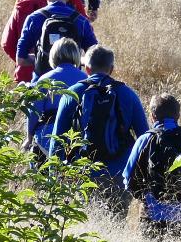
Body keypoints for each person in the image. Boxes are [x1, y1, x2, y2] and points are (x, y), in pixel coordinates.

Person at [46, 45, 149, 213]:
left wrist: (54, 178)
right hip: (118, 175)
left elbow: (57, 140)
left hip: (81, 175)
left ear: (86, 68)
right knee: (115, 228)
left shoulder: (72, 94)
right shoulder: (128, 94)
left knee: (84, 228)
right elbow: (144, 138)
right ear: (112, 69)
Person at [0, 0, 86, 83]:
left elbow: (7, 43)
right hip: (68, 74)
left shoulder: (24, 3)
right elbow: (84, 27)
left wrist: (26, 61)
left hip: (27, 75)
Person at [123, 94, 181, 235]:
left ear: (153, 116)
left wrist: (143, 197)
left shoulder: (145, 139)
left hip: (153, 216)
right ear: (178, 115)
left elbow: (128, 179)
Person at [14, 0, 98, 79]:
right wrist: (74, 60)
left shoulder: (34, 18)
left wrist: (42, 57)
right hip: (74, 84)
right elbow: (94, 58)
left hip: (42, 82)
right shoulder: (81, 21)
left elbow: (21, 59)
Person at [25, 38, 88, 150]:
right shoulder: (85, 79)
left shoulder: (44, 79)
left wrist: (29, 138)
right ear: (76, 55)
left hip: (48, 135)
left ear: (53, 55)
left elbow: (34, 111)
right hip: (77, 135)